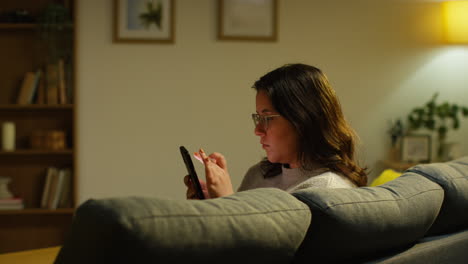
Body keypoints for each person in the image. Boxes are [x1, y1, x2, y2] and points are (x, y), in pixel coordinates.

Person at [184, 63, 367, 199]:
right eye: (258, 118)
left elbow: (265, 250)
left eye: (268, 118)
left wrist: (226, 202)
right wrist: (212, 204)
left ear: (303, 120)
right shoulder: (259, 174)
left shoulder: (326, 190)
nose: (257, 130)